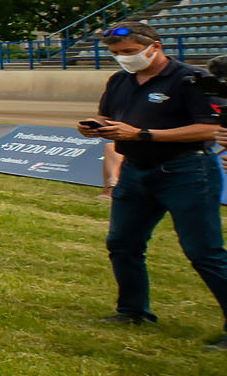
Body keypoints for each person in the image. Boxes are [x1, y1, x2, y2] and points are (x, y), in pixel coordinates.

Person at [77, 21, 227, 342]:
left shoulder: (194, 79)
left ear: (155, 46)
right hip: (135, 172)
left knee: (204, 252)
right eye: (117, 53)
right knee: (122, 244)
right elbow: (109, 117)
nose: (124, 58)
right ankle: (132, 312)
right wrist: (95, 126)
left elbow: (209, 129)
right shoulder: (119, 80)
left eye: (130, 52)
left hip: (186, 172)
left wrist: (143, 134)